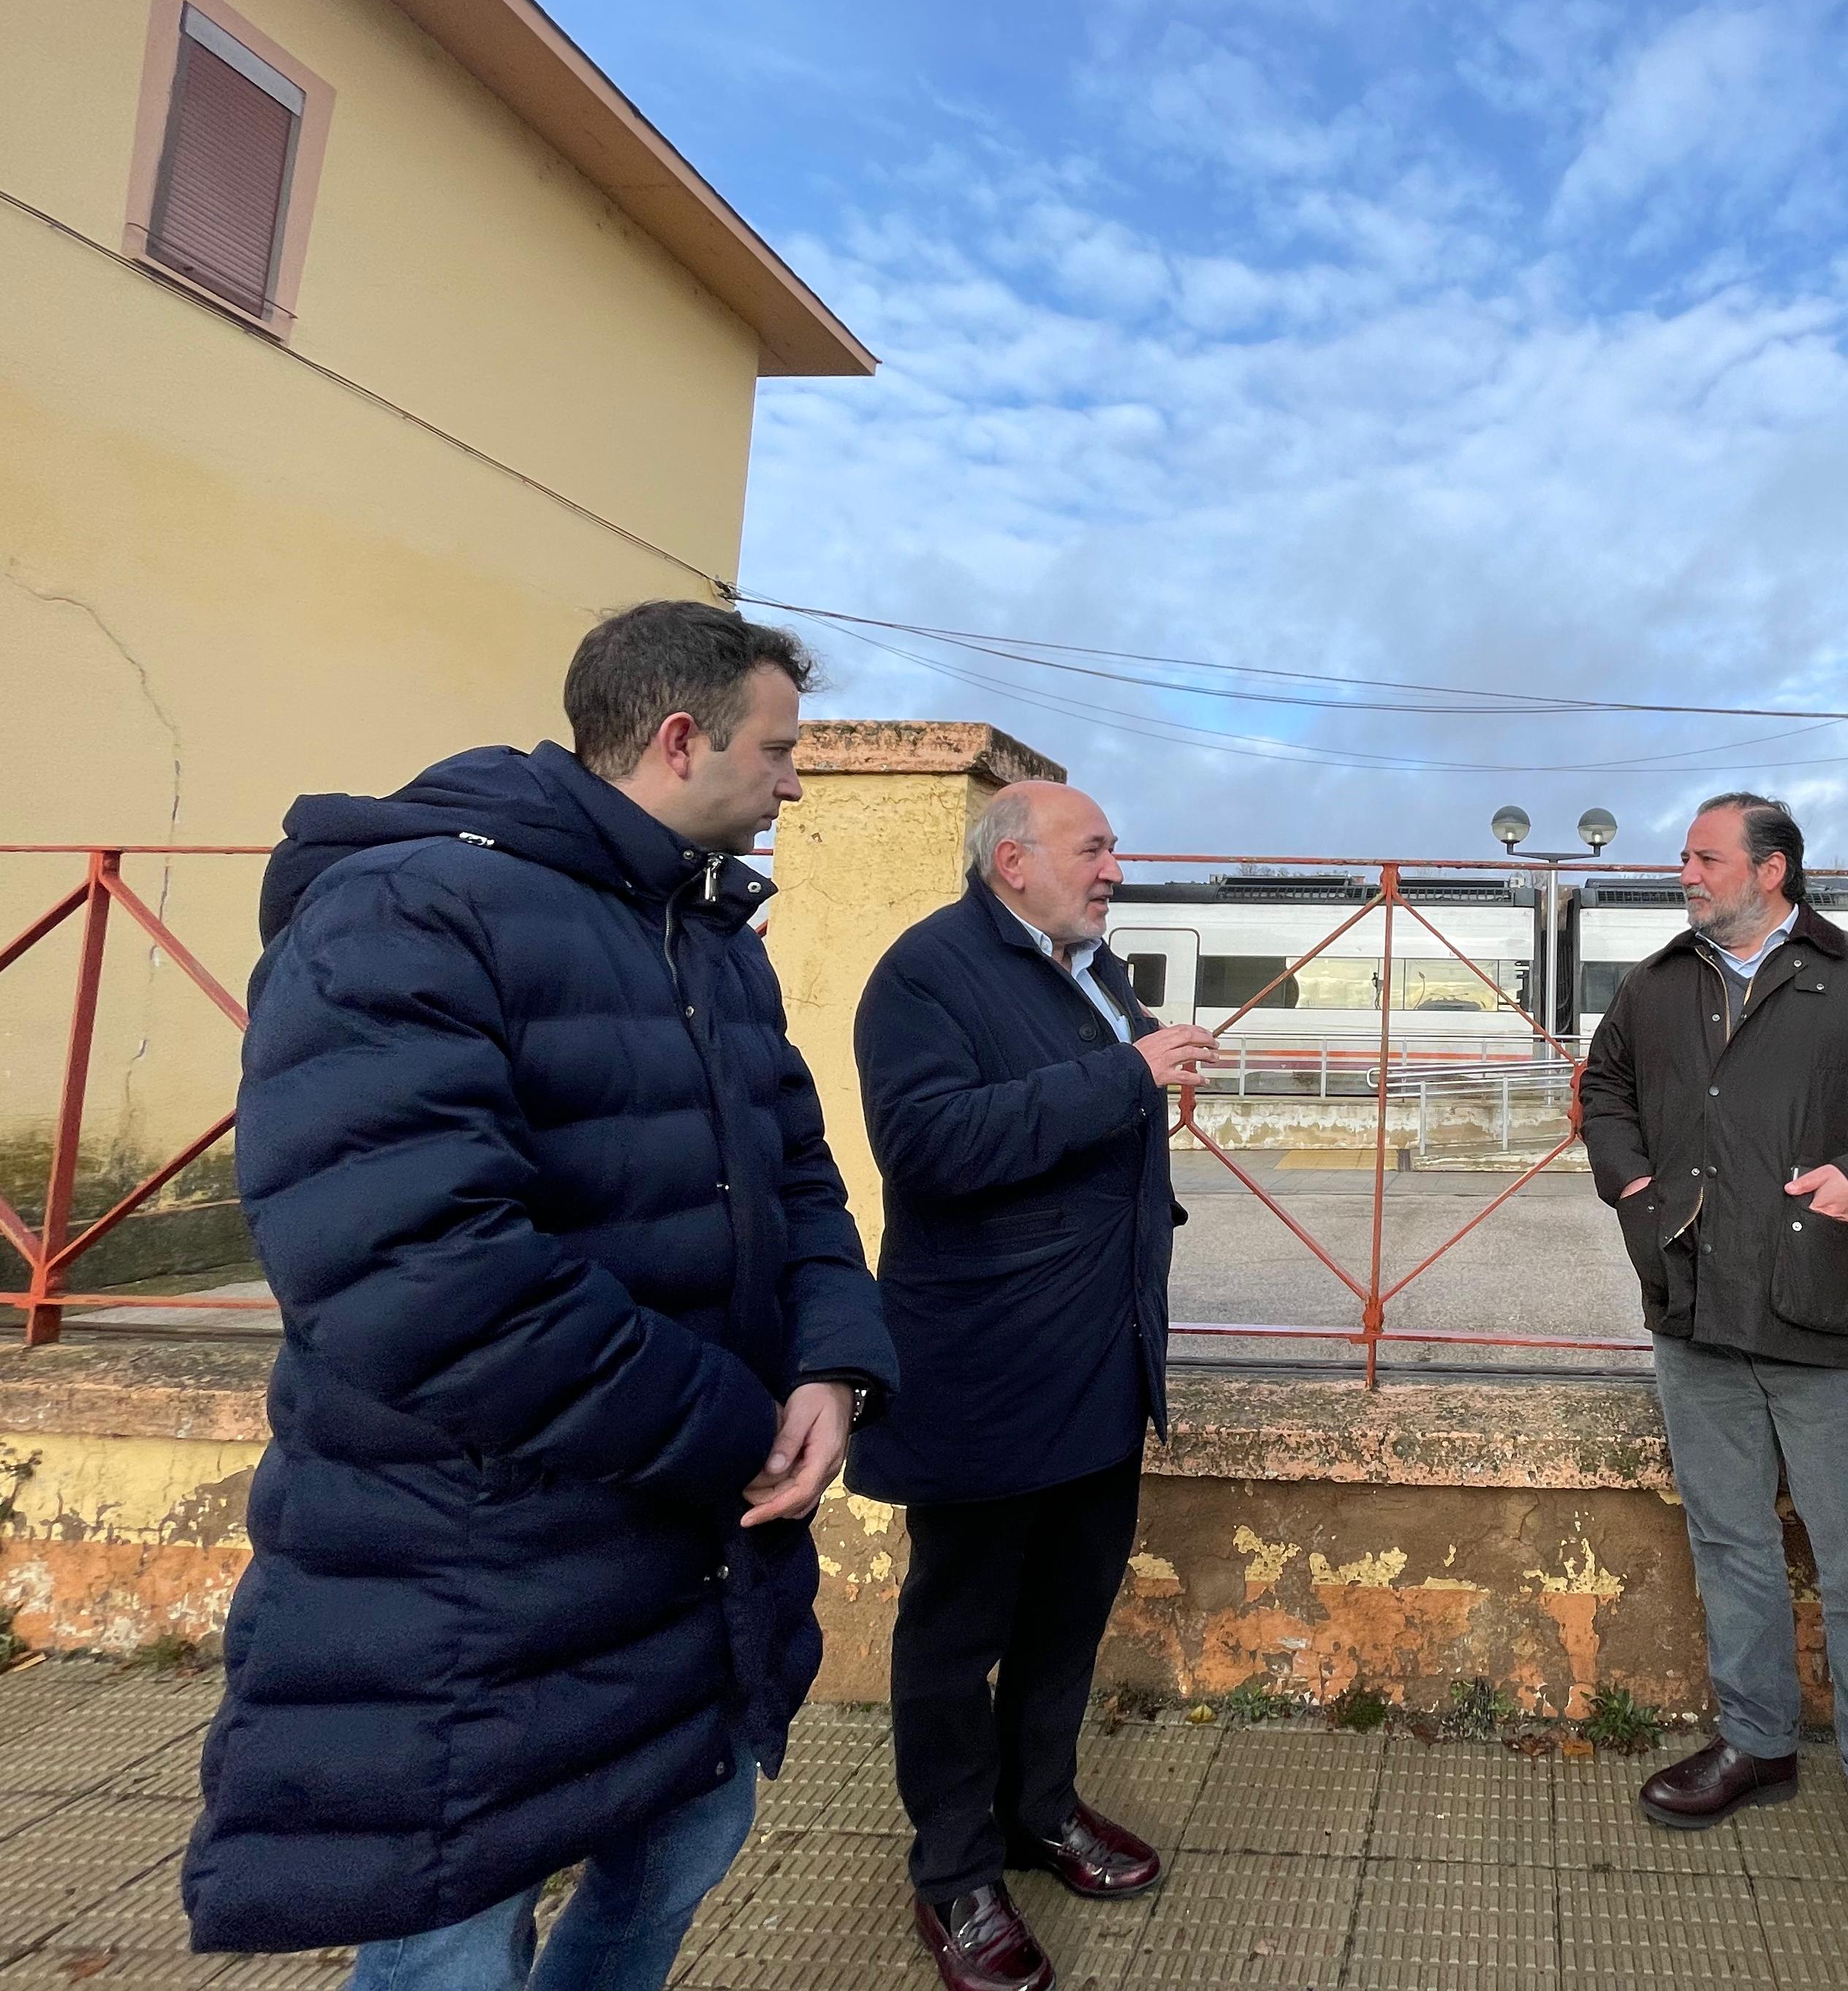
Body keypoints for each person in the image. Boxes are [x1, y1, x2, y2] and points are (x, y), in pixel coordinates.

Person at [183, 600, 899, 1986]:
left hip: (685, 1562)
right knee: (455, 1940)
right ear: (683, 740)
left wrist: (832, 1368)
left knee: (684, 1849)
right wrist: (734, 1424)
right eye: (781, 748)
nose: (798, 781)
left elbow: (798, 1178)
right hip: (465, 1578)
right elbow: (419, 1276)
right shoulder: (406, 909)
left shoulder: (705, 933)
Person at [1578, 793, 1848, 1943]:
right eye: (1686, 856)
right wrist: (1634, 1186)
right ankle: (1755, 1745)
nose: (1684, 871)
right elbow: (1604, 1090)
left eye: (1704, 856)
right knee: (1731, 1541)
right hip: (1694, 1304)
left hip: (1827, 1314)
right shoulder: (1657, 982)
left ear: (1772, 868)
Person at [849, 780, 1218, 1991]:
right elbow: (933, 1147)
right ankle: (955, 1875)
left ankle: (1041, 1813)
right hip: (985, 1369)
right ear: (1012, 861)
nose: (1116, 868)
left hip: (1103, 1360)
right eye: (1094, 848)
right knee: (958, 1638)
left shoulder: (1095, 967)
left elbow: (1089, 1114)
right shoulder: (926, 973)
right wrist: (1129, 1083)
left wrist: (1149, 1103)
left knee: (1066, 1616)